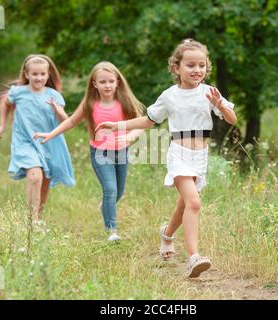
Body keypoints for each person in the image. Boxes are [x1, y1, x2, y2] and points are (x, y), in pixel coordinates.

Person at [95, 39, 237, 277]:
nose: (197, 70)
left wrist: (220, 104)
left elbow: (232, 119)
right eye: (191, 65)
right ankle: (194, 257)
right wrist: (116, 126)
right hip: (179, 154)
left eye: (202, 65)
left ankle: (167, 234)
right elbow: (147, 120)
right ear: (176, 68)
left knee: (184, 203)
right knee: (193, 202)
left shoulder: (210, 93)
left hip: (200, 156)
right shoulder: (169, 96)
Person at [33, 61, 144, 241]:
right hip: (100, 153)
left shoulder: (124, 101)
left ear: (117, 82)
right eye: (102, 82)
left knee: (119, 192)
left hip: (122, 152)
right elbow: (70, 122)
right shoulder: (90, 104)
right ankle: (112, 231)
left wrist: (131, 136)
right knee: (110, 189)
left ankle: (106, 207)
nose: (107, 85)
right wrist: (50, 134)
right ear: (94, 84)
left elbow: (141, 123)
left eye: (110, 81)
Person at [0, 54, 75, 224]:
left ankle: (36, 218)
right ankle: (31, 220)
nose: (39, 77)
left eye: (42, 74)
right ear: (27, 74)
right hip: (25, 141)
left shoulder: (54, 96)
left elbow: (65, 122)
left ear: (48, 75)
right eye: (35, 74)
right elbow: (5, 104)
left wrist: (57, 109)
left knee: (44, 179)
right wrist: (2, 126)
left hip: (48, 142)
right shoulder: (18, 92)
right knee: (35, 176)